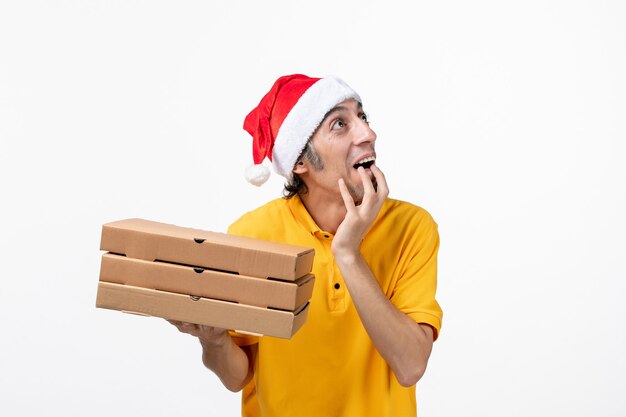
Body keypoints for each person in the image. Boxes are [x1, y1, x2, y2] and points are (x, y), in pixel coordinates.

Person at [168, 74, 443, 417]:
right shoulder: (253, 234)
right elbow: (237, 376)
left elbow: (411, 365)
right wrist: (214, 339)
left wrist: (347, 253)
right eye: (340, 124)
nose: (367, 133)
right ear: (300, 162)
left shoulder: (411, 227)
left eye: (363, 116)